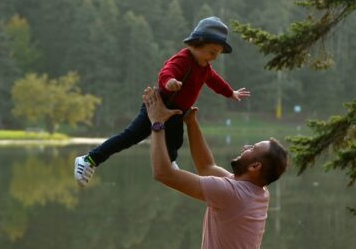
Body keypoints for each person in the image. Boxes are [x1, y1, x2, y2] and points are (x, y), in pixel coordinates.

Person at [142, 86, 288, 249]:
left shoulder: (233, 194)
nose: (245, 148)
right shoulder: (255, 192)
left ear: (255, 166)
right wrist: (191, 123)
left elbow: (164, 173)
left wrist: (157, 123)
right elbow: (207, 167)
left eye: (252, 148)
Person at [74, 16, 250, 187]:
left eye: (217, 55)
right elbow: (166, 72)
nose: (213, 58)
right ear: (198, 44)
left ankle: (169, 164)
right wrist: (170, 82)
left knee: (175, 141)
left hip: (176, 113)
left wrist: (230, 93)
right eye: (212, 52)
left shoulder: (204, 67)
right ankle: (89, 159)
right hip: (158, 108)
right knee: (130, 137)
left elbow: (214, 81)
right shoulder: (184, 59)